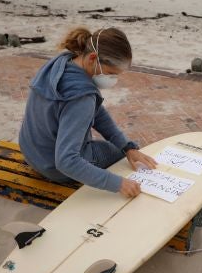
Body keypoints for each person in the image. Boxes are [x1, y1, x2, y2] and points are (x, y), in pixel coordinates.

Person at [18, 26, 157, 197]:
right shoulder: (82, 98)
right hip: (52, 167)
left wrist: (127, 146)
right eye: (111, 73)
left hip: (32, 152)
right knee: (113, 152)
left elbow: (95, 111)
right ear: (93, 58)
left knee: (119, 147)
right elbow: (66, 162)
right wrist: (119, 183)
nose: (113, 80)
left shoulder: (61, 63)